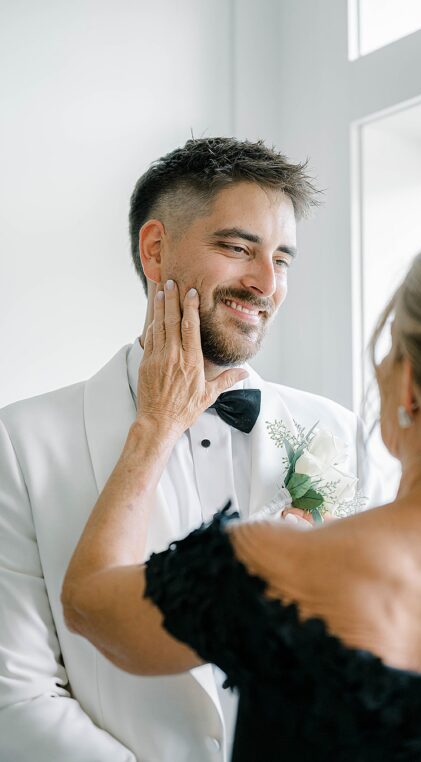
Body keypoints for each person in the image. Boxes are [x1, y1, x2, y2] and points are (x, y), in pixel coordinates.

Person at [60, 224, 421, 760]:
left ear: (409, 384)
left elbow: (90, 601)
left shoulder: (274, 565)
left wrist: (155, 425)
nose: (266, 281)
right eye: (236, 248)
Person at [0, 138, 373, 761]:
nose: (265, 283)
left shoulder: (337, 432)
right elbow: (16, 695)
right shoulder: (20, 444)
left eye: (282, 258)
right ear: (155, 250)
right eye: (237, 248)